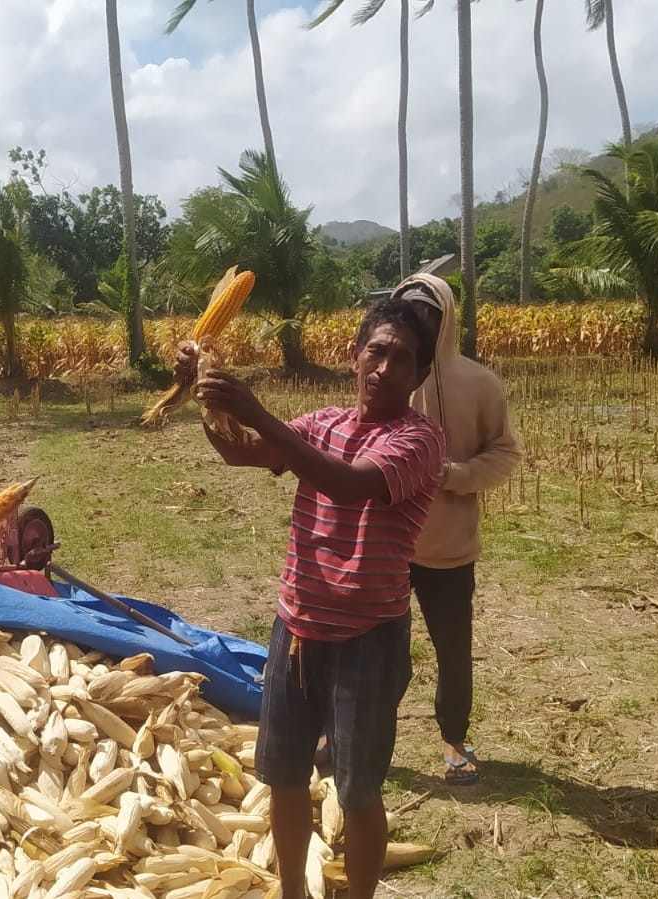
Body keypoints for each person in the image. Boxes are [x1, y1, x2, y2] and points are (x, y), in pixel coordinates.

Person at [176, 297, 445, 899]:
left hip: (368, 638)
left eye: (401, 360)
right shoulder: (322, 423)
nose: (383, 368)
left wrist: (257, 409)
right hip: (296, 628)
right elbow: (240, 450)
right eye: (375, 351)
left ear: (419, 376)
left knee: (357, 789)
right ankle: (294, 890)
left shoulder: (419, 440)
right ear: (354, 356)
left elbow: (347, 485)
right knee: (286, 778)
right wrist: (204, 395)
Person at [391, 273, 522, 785]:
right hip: (389, 544)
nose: (417, 322)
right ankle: (350, 730)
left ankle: (453, 739)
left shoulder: (479, 383)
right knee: (379, 646)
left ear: (445, 321)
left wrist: (457, 475)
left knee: (452, 648)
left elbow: (505, 451)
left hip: (449, 547)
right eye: (407, 311)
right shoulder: (385, 375)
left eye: (428, 313)